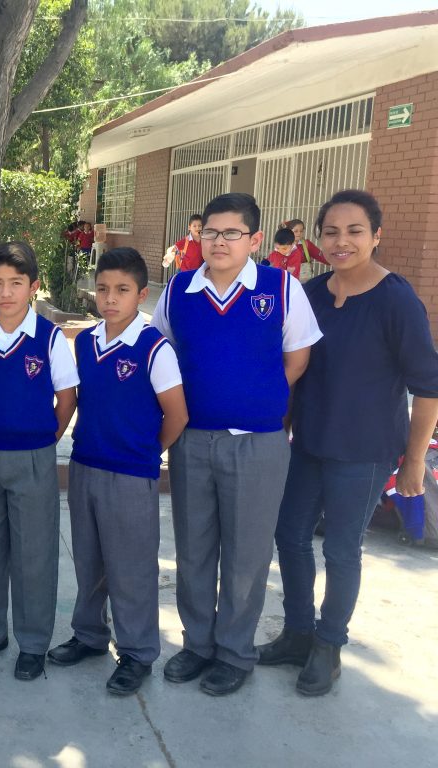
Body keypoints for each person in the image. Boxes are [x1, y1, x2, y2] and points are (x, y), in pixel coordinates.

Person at [257, 190, 438, 695]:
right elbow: (294, 369)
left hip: (364, 451)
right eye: (331, 232)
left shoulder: (396, 300)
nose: (342, 241)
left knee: (340, 550)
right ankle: (298, 633)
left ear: (376, 236)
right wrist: (281, 431)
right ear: (317, 239)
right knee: (290, 536)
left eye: (355, 231)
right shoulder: (310, 295)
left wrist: (414, 462)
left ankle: (329, 646)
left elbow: (428, 389)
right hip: (309, 442)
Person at [150, 192, 322, 696]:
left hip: (256, 444)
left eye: (231, 233)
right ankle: (197, 645)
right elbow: (161, 354)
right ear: (199, 235)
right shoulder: (179, 289)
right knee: (194, 549)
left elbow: (297, 359)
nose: (219, 242)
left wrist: (255, 396)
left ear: (254, 239)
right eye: (210, 232)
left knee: (247, 557)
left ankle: (234, 653)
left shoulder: (281, 288)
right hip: (192, 442)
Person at [48, 247, 188, 696]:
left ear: (141, 295)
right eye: (103, 289)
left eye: (122, 290)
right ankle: (89, 635)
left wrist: (146, 452)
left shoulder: (154, 348)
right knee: (89, 561)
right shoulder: (86, 342)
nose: (110, 298)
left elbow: (177, 415)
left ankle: (137, 652)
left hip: (130, 474)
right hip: (86, 464)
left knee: (131, 567)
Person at [0, 242, 78, 682]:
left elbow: (66, 398)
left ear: (33, 287)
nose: (6, 292)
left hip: (33, 458)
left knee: (34, 553)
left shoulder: (48, 337)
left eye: (16, 283)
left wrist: (45, 439)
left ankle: (32, 642)